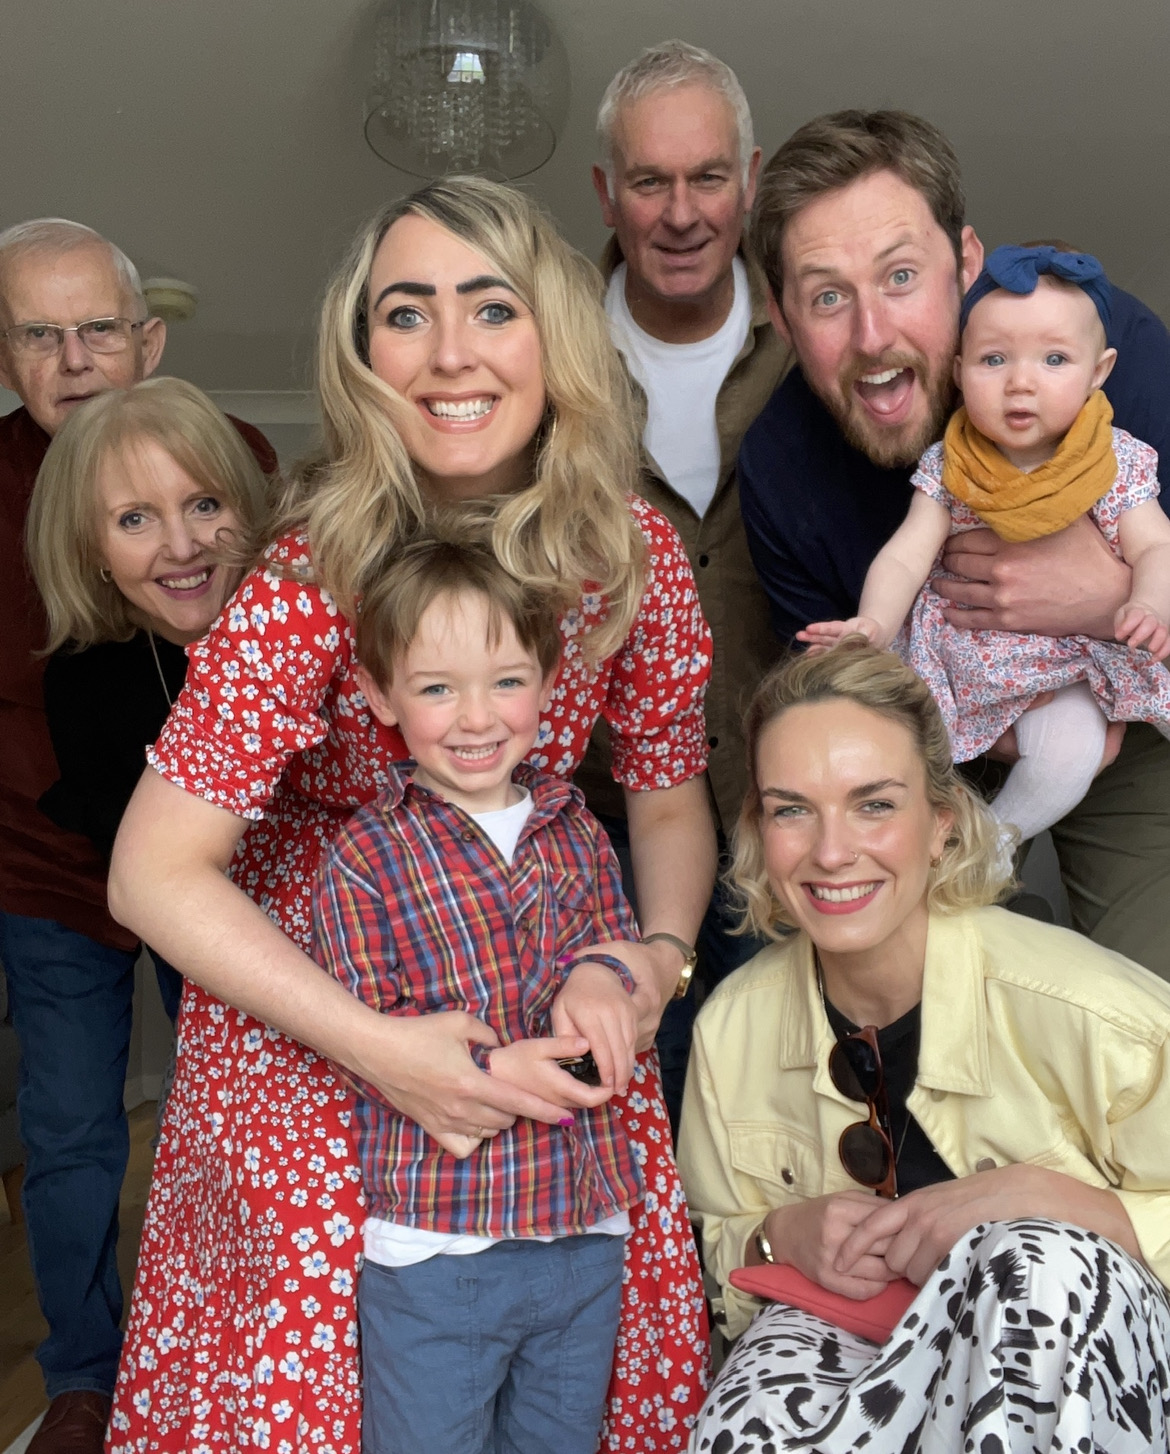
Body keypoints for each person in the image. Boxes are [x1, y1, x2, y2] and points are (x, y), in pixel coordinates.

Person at [106, 177, 715, 1454]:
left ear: (552, 331)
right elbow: (153, 871)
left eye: (491, 307)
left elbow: (667, 797)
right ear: (362, 350)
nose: (448, 353)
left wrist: (650, 957)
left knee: (568, 1393)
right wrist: (383, 1052)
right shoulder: (312, 568)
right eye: (406, 312)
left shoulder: (633, 556)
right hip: (316, 1035)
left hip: (549, 1008)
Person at [677, 640, 1170, 1451]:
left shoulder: (1096, 1011)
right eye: (792, 809)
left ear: (942, 823)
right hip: (861, 1342)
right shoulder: (732, 1027)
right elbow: (703, 1241)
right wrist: (776, 1234)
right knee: (751, 1410)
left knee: (1038, 1265)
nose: (831, 851)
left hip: (1090, 1373)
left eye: (873, 804)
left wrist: (1073, 1205)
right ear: (760, 832)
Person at [739, 110, 1170, 976]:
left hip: (1120, 709)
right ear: (781, 318)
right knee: (910, 986)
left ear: (967, 264)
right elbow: (842, 714)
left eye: (901, 276)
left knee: (1154, 993)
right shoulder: (780, 466)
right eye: (827, 296)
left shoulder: (1098, 340)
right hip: (924, 733)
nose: (872, 335)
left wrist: (1104, 599)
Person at [0, 218, 275, 1454]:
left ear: (147, 340)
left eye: (97, 328)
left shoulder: (235, 458)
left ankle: (230, 1347)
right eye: (38, 334)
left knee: (235, 1108)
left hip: (216, 869)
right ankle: (83, 1375)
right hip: (45, 866)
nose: (73, 359)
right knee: (69, 1127)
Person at [314, 526, 645, 1452]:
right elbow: (370, 1040)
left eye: (506, 681)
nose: (475, 717)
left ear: (548, 679)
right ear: (380, 693)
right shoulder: (366, 855)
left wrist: (610, 974)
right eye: (435, 688)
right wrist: (496, 1069)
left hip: (584, 1232)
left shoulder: (577, 830)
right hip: (441, 1246)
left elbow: (620, 968)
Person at [583, 39, 789, 1127]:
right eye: (649, 182)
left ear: (749, 180)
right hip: (602, 815)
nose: (679, 213)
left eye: (707, 177)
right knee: (629, 1111)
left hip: (784, 811)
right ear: (606, 193)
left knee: (782, 1111)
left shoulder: (819, 333)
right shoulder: (541, 349)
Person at [802, 245, 1170, 850]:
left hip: (1066, 666)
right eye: (994, 360)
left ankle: (992, 845)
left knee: (1071, 752)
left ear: (1099, 372)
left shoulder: (1113, 461)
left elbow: (1156, 547)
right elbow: (905, 555)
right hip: (957, 661)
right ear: (958, 370)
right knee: (892, 738)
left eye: (1055, 359)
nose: (1020, 383)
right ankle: (919, 847)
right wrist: (873, 624)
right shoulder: (953, 463)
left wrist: (1148, 603)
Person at [25, 377, 275, 1020]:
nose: (183, 547)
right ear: (93, 548)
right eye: (134, 519)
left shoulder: (304, 628)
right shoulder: (81, 681)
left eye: (205, 504)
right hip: (203, 940)